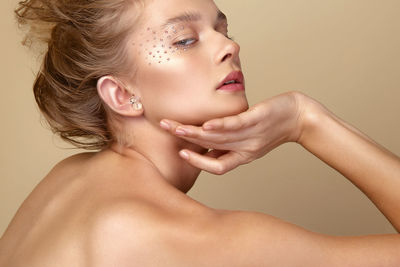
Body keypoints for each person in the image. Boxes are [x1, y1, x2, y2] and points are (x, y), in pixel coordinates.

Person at [0, 0, 399, 265]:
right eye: (185, 40)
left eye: (222, 29)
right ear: (121, 94)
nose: (230, 46)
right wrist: (308, 121)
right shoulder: (180, 234)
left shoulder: (68, 180)